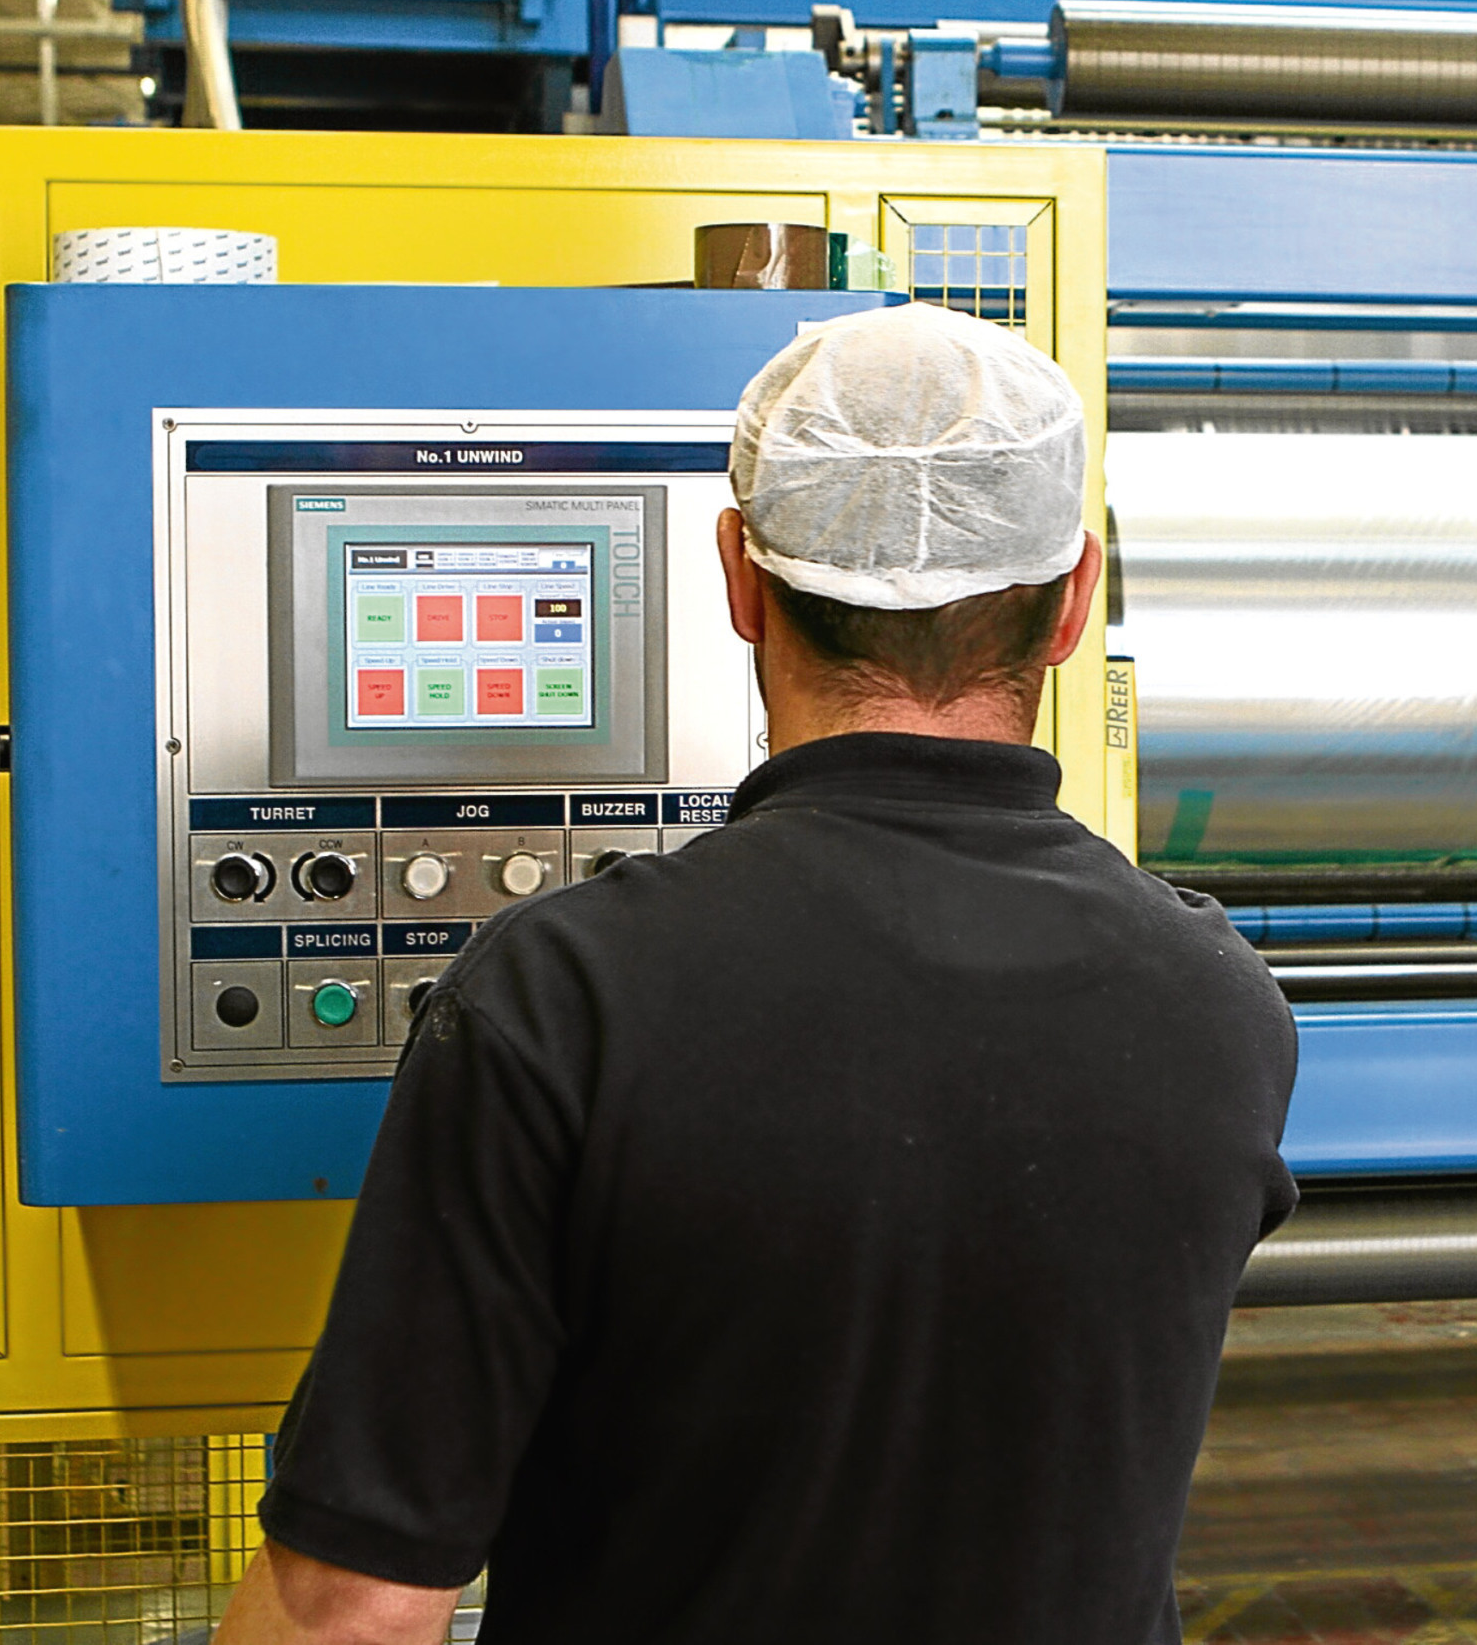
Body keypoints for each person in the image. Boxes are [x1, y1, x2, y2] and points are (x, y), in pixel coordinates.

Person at [214, 301, 1302, 1645]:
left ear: (739, 577)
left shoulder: (565, 1000)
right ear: (1076, 599)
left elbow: (351, 1612)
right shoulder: (1220, 1004)